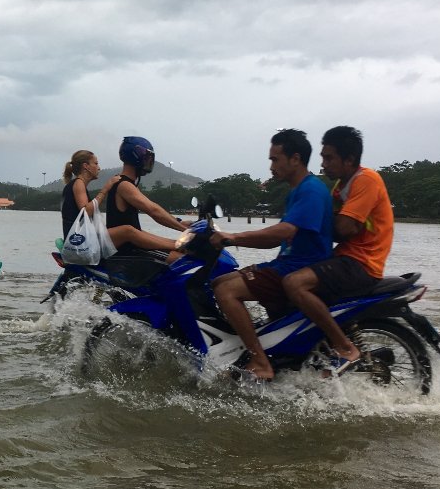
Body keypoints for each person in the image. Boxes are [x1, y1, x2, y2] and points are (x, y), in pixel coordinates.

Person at [209, 129, 333, 380]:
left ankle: (259, 360)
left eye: (275, 159)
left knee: (226, 291)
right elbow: (276, 240)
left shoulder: (310, 190)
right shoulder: (297, 191)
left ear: (295, 159)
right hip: (286, 264)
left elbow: (284, 231)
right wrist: (231, 240)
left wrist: (234, 237)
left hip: (298, 268)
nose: (271, 166)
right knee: (219, 280)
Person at [282, 126, 394, 373]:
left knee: (294, 283)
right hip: (344, 257)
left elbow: (344, 227)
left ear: (349, 159)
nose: (323, 164)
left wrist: (309, 221)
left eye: (329, 158)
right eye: (322, 157)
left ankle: (344, 347)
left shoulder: (366, 180)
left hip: (362, 263)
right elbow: (332, 224)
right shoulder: (339, 187)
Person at [61, 148, 179, 257]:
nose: (99, 168)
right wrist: (106, 188)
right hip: (79, 242)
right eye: (95, 163)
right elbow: (86, 212)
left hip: (79, 239)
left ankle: (175, 244)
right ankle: (177, 245)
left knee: (136, 231)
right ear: (86, 166)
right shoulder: (78, 183)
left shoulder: (76, 184)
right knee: (127, 231)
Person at [104, 136, 188, 261]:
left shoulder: (124, 183)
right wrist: (186, 230)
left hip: (132, 245)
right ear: (136, 158)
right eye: (147, 159)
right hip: (127, 251)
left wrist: (179, 224)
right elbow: (153, 210)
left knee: (182, 248)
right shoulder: (124, 185)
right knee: (185, 261)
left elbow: (140, 227)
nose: (149, 163)